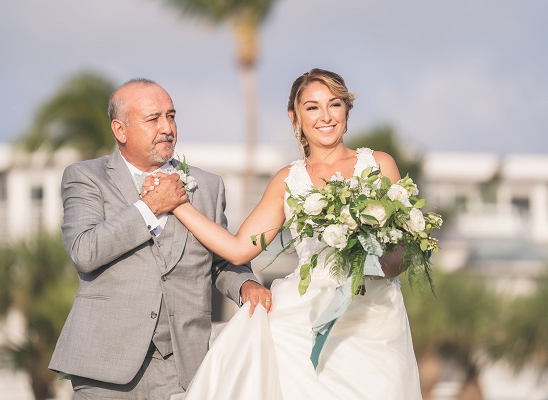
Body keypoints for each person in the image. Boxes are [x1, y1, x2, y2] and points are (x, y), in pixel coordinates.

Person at [155, 68, 423, 399]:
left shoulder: (379, 164)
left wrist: (373, 261)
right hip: (302, 320)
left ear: (347, 111)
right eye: (312, 107)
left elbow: (400, 255)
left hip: (375, 319)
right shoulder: (288, 180)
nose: (325, 116)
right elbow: (239, 249)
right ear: (295, 117)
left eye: (334, 104)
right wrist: (178, 205)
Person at [48, 78, 271, 400]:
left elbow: (220, 262)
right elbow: (84, 251)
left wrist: (246, 285)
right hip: (105, 364)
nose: (167, 128)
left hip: (182, 363)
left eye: (171, 116)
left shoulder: (208, 186)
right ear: (120, 130)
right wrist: (150, 206)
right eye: (153, 119)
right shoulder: (86, 177)